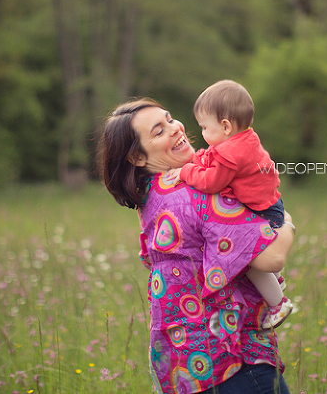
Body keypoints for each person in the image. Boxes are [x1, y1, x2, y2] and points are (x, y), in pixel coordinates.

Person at [98, 98, 294, 394]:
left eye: (170, 118)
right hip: (235, 360)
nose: (176, 128)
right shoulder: (196, 193)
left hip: (186, 367)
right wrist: (286, 222)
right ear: (138, 158)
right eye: (159, 131)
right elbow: (272, 258)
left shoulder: (152, 198)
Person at [166, 80, 293, 329]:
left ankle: (279, 303)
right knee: (251, 258)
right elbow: (214, 159)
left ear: (225, 126)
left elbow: (211, 182)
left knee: (247, 260)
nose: (201, 133)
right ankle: (276, 280)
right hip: (271, 205)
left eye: (204, 127)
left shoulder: (230, 155)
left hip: (263, 213)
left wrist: (186, 172)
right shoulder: (244, 139)